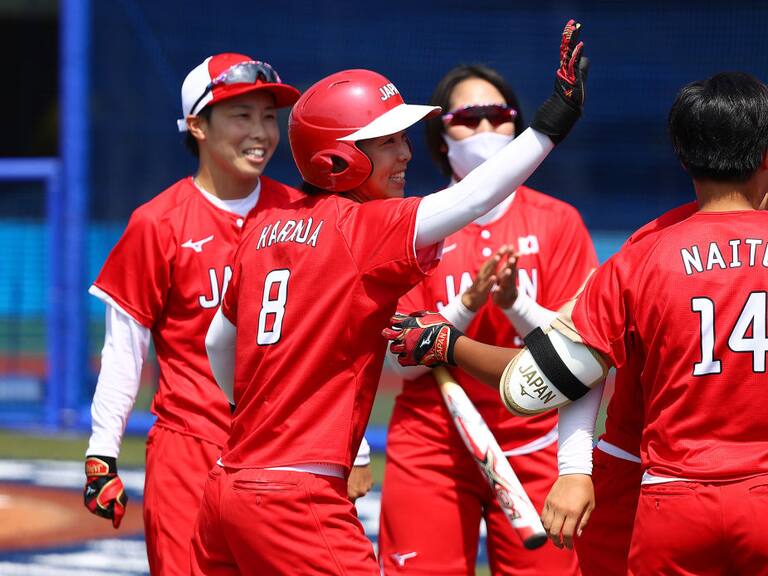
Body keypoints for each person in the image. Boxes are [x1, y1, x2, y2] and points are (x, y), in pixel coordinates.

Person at [192, 20, 588, 575]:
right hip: (299, 498)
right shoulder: (363, 227)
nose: (405, 154)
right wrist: (551, 124)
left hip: (228, 485)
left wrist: (251, 414)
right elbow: (473, 198)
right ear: (337, 159)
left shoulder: (264, 227)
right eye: (387, 142)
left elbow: (217, 342)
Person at [385, 71, 768, 575]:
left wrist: (450, 345)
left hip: (674, 500)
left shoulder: (641, 254)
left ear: (681, 155)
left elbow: (548, 380)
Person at [82, 52, 372, 574]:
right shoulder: (158, 223)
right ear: (197, 125)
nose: (260, 131)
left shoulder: (302, 215)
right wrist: (102, 455)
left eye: (268, 115)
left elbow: (331, 343)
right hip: (189, 449)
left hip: (286, 456)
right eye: (241, 115)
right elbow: (124, 351)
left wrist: (358, 451)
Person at [377, 63, 595, 575]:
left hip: (534, 440)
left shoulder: (558, 222)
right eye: (468, 118)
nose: (484, 130)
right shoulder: (412, 225)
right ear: (438, 139)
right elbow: (401, 365)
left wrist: (515, 304)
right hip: (432, 445)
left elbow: (580, 359)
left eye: (499, 116)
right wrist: (467, 306)